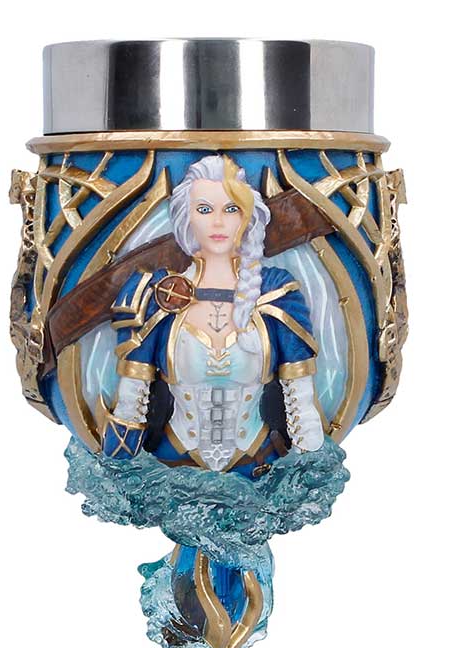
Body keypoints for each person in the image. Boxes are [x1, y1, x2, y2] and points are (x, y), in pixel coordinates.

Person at [101, 155, 325, 476]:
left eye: (231, 209)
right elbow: (130, 403)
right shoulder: (157, 294)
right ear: (186, 216)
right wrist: (118, 473)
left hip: (260, 464)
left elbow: (301, 405)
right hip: (171, 468)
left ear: (247, 217)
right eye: (204, 210)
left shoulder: (277, 293)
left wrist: (309, 471)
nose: (218, 223)